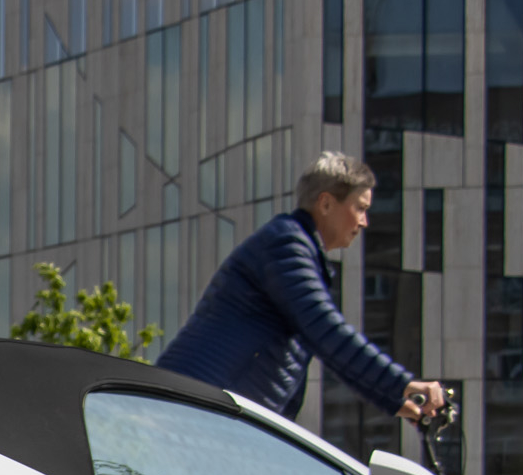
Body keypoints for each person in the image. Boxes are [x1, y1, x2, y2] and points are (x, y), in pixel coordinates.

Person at [159, 151, 448, 424]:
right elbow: (327, 332)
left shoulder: (298, 249)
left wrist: (395, 402)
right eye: (360, 208)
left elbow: (326, 344)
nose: (364, 221)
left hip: (209, 413)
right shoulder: (285, 244)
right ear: (325, 204)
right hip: (193, 410)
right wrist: (403, 386)